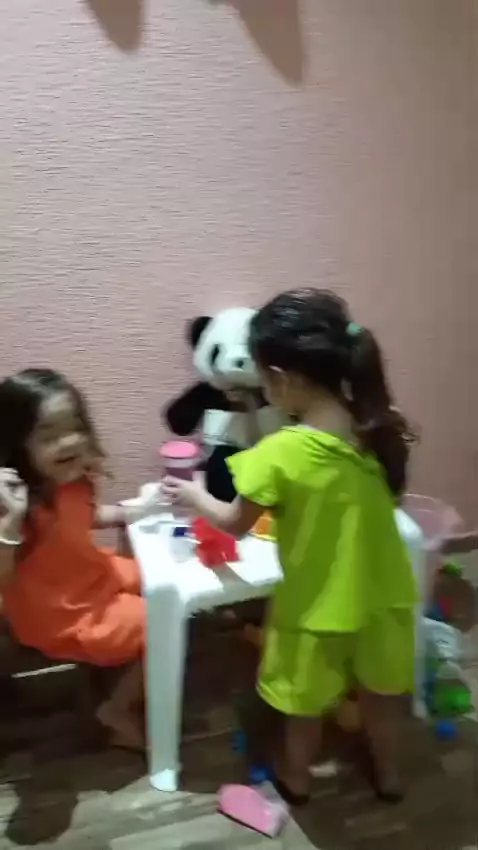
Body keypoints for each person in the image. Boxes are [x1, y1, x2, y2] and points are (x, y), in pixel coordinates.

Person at [163, 288, 418, 805]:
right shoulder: (375, 423)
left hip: (316, 608)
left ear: (280, 378)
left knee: (306, 706)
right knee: (381, 699)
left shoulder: (281, 452)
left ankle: (296, 779)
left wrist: (193, 495)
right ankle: (390, 778)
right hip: (386, 597)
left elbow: (233, 524)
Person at [0, 368, 159, 750]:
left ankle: (124, 663)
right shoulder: (15, 506)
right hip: (61, 614)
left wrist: (130, 511)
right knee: (165, 625)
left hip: (90, 573)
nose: (69, 440)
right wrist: (10, 522)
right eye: (49, 435)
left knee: (160, 579)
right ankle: (116, 709)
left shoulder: (72, 480)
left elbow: (82, 517)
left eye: (75, 427)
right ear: (17, 445)